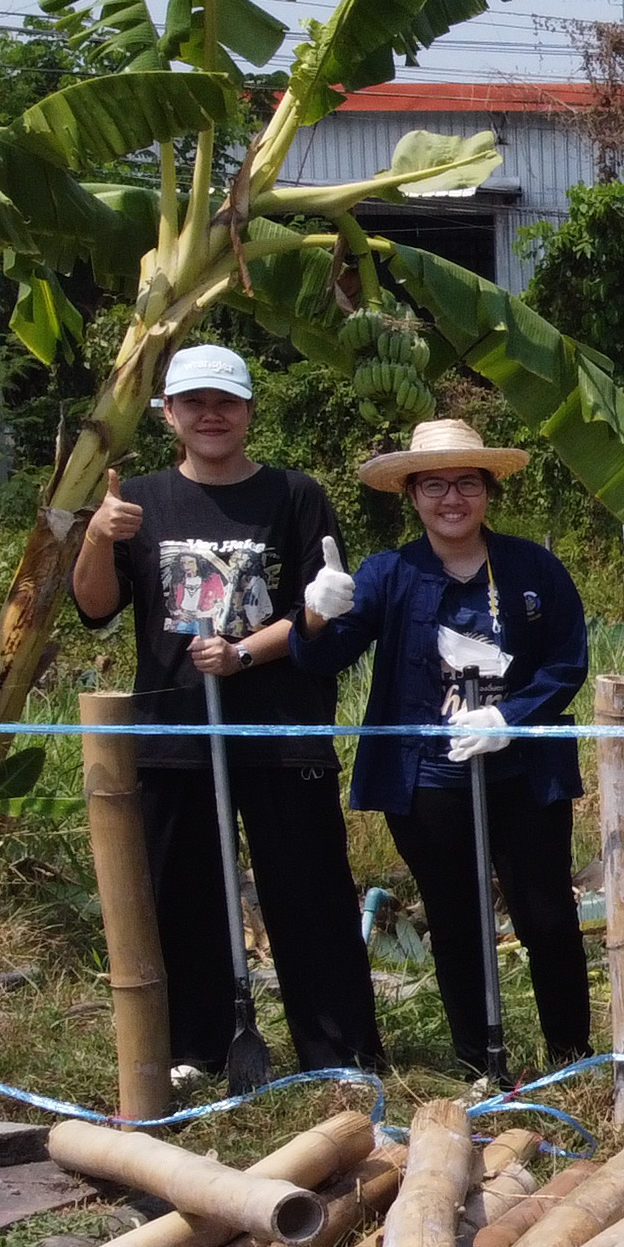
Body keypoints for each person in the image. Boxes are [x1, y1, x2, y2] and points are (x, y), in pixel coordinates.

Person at [70, 341, 379, 1081]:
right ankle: (196, 1048)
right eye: (196, 403)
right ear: (170, 413)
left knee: (309, 891)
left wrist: (243, 654)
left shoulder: (295, 495)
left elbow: (318, 608)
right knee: (183, 895)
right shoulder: (140, 503)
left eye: (226, 403)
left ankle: (338, 1052)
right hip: (175, 732)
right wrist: (94, 536)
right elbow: (97, 607)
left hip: (278, 726)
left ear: (247, 412)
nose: (212, 416)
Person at [294, 418, 593, 1082]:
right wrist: (319, 611)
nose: (451, 499)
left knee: (545, 913)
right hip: (427, 776)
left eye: (466, 483)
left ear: (487, 490)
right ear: (412, 495)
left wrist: (511, 716)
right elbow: (323, 655)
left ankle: (572, 1058)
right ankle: (477, 1063)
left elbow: (567, 661)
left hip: (522, 768)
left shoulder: (533, 569)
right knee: (455, 921)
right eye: (434, 485)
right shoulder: (389, 573)